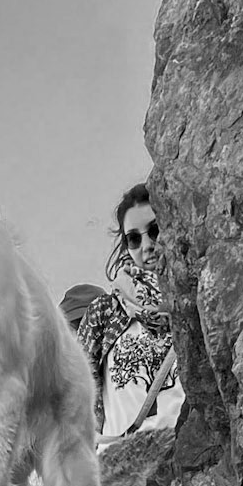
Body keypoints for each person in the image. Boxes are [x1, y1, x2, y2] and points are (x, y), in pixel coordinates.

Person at [66, 182, 183, 440]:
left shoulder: (196, 305)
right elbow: (79, 406)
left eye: (155, 230)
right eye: (134, 238)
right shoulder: (104, 314)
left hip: (188, 461)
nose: (147, 245)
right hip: (122, 468)